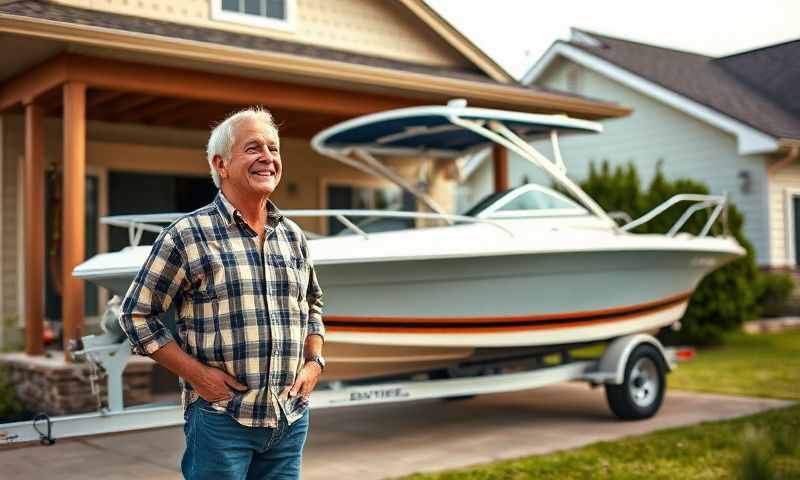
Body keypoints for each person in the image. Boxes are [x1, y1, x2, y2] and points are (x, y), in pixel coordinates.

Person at [119, 107, 325, 480]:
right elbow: (136, 315)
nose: (268, 157)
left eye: (273, 148)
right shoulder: (186, 235)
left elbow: (312, 303)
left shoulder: (293, 235)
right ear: (222, 164)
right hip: (222, 421)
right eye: (253, 148)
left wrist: (314, 363)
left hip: (289, 418)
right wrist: (198, 376)